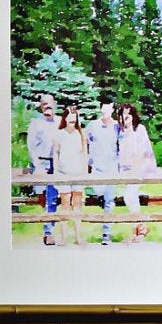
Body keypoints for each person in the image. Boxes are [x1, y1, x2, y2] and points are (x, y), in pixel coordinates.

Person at [116, 103, 158, 241]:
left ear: (133, 116)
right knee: (130, 197)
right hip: (127, 171)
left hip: (141, 169)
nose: (126, 117)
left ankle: (138, 229)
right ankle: (140, 229)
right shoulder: (121, 132)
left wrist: (137, 168)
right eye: (123, 115)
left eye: (128, 115)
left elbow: (144, 152)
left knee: (129, 195)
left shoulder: (139, 129)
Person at [50, 105, 90, 245]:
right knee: (65, 205)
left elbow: (85, 153)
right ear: (65, 118)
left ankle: (79, 238)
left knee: (77, 206)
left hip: (78, 174)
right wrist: (56, 172)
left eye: (75, 117)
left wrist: (85, 172)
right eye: (70, 117)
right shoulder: (59, 134)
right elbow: (55, 153)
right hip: (63, 174)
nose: (73, 120)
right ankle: (64, 238)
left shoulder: (81, 134)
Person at [24, 94, 59, 244]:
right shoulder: (36, 123)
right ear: (41, 106)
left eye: (49, 103)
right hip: (42, 164)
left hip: (57, 164)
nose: (47, 106)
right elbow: (31, 146)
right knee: (45, 198)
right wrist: (37, 166)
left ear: (54, 104)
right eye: (44, 104)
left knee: (53, 199)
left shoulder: (60, 122)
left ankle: (49, 231)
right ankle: (48, 231)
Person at [86, 99, 122, 241]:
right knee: (98, 192)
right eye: (104, 108)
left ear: (112, 110)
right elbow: (84, 143)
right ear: (101, 109)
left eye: (109, 109)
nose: (106, 111)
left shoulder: (117, 126)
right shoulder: (93, 126)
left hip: (112, 169)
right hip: (97, 169)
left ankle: (106, 233)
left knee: (109, 201)